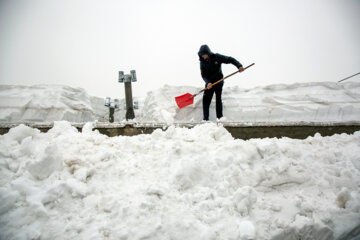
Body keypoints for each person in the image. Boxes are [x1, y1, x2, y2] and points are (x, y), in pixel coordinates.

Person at [198, 44, 244, 121]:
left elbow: (230, 59)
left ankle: (220, 118)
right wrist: (208, 82)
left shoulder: (217, 57)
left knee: (218, 99)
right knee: (206, 99)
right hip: (209, 83)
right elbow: (203, 75)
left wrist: (239, 66)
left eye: (204, 54)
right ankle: (205, 119)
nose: (203, 56)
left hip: (218, 81)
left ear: (208, 53)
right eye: (202, 55)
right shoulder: (202, 62)